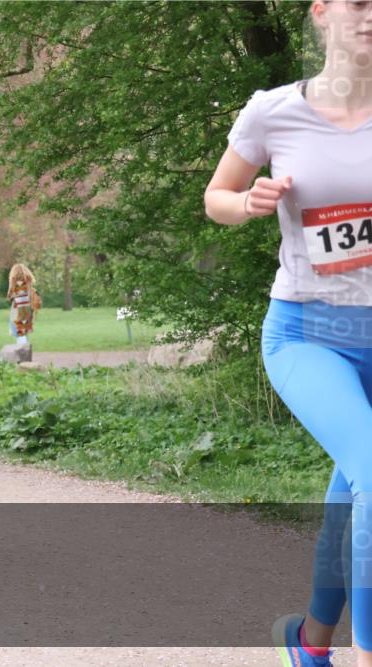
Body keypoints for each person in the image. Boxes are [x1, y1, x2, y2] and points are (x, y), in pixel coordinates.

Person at [204, 2, 371, 664]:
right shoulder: (273, 110)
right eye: (358, 2)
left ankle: (309, 642)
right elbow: (216, 195)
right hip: (310, 332)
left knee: (355, 488)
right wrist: (245, 203)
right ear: (321, 14)